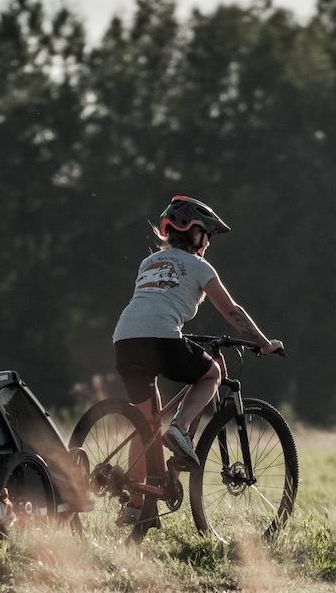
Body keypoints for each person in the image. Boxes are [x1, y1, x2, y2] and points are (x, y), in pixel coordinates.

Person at [113, 195, 283, 519]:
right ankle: (179, 428)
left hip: (124, 340)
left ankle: (136, 506)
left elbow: (152, 305)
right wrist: (264, 343)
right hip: (162, 337)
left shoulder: (149, 263)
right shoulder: (198, 265)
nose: (208, 244)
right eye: (207, 235)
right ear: (194, 233)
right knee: (212, 373)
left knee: (146, 422)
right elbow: (233, 312)